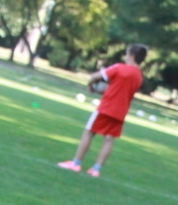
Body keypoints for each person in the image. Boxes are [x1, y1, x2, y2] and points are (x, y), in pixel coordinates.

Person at [57, 44, 149, 177]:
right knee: (109, 139)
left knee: (89, 132)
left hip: (106, 107)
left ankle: (76, 163)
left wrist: (91, 86)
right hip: (121, 111)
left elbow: (95, 76)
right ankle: (96, 169)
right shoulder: (139, 76)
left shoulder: (119, 68)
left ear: (131, 56)